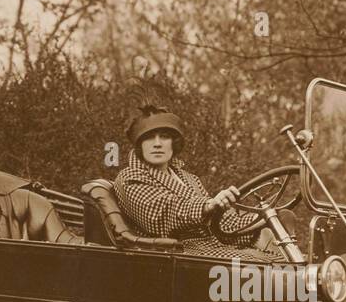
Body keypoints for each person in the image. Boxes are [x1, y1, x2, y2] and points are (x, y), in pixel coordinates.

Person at [114, 105, 284, 262]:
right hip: (177, 254)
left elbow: (220, 225)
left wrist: (258, 220)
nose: (157, 143)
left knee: (289, 262)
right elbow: (163, 213)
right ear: (139, 145)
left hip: (211, 249)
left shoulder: (189, 178)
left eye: (164, 137)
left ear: (174, 143)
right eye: (149, 138)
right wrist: (208, 205)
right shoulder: (130, 176)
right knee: (270, 272)